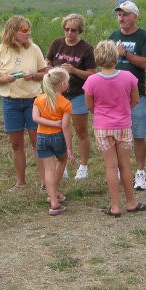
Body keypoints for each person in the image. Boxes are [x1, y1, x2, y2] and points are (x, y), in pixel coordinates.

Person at [84, 41, 146, 216]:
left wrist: (101, 113)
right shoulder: (128, 76)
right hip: (123, 126)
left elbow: (89, 105)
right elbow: (135, 100)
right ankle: (130, 202)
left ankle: (114, 206)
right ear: (116, 56)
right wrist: (123, 110)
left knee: (110, 167)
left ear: (97, 59)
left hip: (103, 128)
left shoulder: (92, 80)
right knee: (126, 166)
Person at [0, 16, 46, 192]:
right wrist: (4, 79)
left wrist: (33, 75)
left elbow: (45, 73)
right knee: (16, 144)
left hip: (33, 101)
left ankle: (45, 182)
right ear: (13, 32)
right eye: (24, 30)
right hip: (10, 102)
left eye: (29, 30)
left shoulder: (34, 49)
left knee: (38, 141)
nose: (28, 33)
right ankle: (20, 182)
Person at [108, 0, 146, 190]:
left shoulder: (144, 37)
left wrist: (125, 54)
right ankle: (120, 169)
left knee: (138, 134)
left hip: (136, 94)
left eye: (126, 14)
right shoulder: (113, 36)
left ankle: (140, 172)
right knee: (116, 134)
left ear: (135, 16)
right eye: (119, 14)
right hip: (114, 96)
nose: (122, 18)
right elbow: (107, 62)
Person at [45, 14, 96, 181]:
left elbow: (92, 74)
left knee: (80, 130)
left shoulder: (86, 48)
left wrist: (74, 71)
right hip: (58, 95)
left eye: (73, 30)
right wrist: (52, 70)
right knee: (58, 129)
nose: (69, 33)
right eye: (66, 29)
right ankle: (63, 162)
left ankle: (83, 165)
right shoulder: (57, 43)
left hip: (78, 94)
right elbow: (48, 62)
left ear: (79, 30)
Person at [32, 67, 74, 216]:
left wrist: (48, 123)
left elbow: (35, 118)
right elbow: (66, 127)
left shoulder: (39, 99)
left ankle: (53, 201)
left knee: (48, 169)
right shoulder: (65, 103)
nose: (68, 84)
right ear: (62, 84)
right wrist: (69, 149)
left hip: (41, 137)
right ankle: (53, 193)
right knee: (61, 161)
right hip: (57, 137)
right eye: (68, 82)